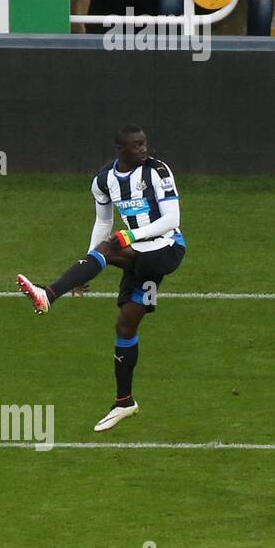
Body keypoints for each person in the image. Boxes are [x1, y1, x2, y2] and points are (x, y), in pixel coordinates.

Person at [15, 126, 186, 433]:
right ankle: (124, 402)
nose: (143, 148)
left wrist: (131, 235)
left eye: (144, 143)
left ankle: (49, 294)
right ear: (120, 149)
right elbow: (103, 222)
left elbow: (172, 219)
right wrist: (84, 269)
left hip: (166, 249)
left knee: (109, 249)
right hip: (141, 257)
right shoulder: (103, 181)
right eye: (136, 145)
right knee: (125, 324)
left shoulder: (158, 171)